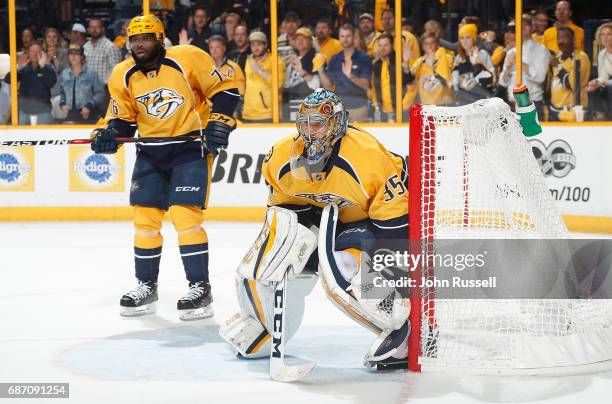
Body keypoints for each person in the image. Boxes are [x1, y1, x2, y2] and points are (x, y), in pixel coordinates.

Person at [219, 88, 409, 370]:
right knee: (261, 264)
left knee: (339, 272)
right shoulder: (282, 156)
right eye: (305, 123)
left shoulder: (366, 157)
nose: (310, 131)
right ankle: (266, 328)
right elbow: (282, 216)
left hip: (371, 222)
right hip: (327, 221)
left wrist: (398, 277)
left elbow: (394, 227)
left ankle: (403, 331)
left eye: (318, 123)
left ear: (336, 123)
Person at [89, 15, 240, 320]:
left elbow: (225, 90)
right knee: (145, 221)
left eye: (145, 38)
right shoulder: (122, 74)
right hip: (151, 154)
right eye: (134, 40)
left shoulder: (187, 58)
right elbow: (122, 119)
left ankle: (200, 288)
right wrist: (106, 135)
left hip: (189, 149)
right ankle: (146, 286)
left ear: (160, 39)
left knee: (186, 219)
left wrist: (220, 121)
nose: (139, 45)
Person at [319, 24, 372, 121]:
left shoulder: (364, 58)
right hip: (339, 108)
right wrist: (320, 70)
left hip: (359, 108)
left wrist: (350, 76)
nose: (345, 39)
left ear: (353, 37)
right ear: (339, 37)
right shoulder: (334, 59)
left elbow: (366, 85)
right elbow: (329, 87)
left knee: (359, 136)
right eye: (342, 36)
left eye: (348, 36)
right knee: (339, 137)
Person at [499, 15, 549, 117]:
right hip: (512, 105)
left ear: (533, 27)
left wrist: (519, 62)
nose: (523, 27)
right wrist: (507, 69)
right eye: (520, 25)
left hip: (532, 104)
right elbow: (503, 82)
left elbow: (540, 77)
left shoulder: (541, 49)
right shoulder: (512, 52)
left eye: (526, 24)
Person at [5, 42, 56, 125]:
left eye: (38, 51)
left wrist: (43, 67)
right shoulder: (23, 68)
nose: (35, 54)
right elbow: (8, 80)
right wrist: (18, 68)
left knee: (42, 138)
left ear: (42, 53)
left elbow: (51, 83)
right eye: (32, 51)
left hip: (43, 113)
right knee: (23, 138)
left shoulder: (47, 67)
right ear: (28, 53)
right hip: (24, 113)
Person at [282, 27, 326, 121]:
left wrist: (302, 72)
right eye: (297, 39)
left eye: (304, 38)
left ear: (311, 41)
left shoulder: (317, 58)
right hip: (291, 107)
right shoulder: (292, 61)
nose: (300, 41)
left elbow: (317, 86)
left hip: (309, 110)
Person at [548, 27, 590, 121]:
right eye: (559, 38)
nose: (561, 41)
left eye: (564, 38)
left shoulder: (581, 57)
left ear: (573, 39)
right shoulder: (557, 57)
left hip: (573, 111)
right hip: (555, 109)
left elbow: (572, 84)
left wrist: (558, 67)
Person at [242, 31, 285, 123]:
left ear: (265, 45)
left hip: (268, 114)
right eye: (253, 45)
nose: (256, 47)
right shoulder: (248, 60)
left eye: (259, 44)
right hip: (248, 113)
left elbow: (279, 85)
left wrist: (260, 70)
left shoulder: (276, 60)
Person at [58, 44, 105, 123]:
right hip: (70, 114)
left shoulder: (91, 73)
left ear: (82, 56)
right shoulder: (64, 73)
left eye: (76, 53)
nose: (73, 56)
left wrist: (89, 105)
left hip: (88, 113)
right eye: (71, 53)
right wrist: (62, 105)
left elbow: (100, 94)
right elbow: (62, 93)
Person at [451, 23, 495, 105]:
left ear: (473, 39)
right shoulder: (459, 58)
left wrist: (476, 65)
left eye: (468, 37)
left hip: (481, 101)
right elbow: (455, 83)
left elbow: (492, 78)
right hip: (463, 102)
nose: (464, 41)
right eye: (461, 38)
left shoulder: (482, 54)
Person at [407, 32, 454, 106]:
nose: (429, 46)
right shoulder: (419, 61)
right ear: (422, 46)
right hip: (426, 104)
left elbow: (447, 80)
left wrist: (432, 66)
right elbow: (410, 80)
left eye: (432, 43)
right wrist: (406, 62)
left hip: (444, 104)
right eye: (426, 43)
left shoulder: (447, 58)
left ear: (437, 44)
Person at [208, 34, 246, 119]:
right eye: (211, 47)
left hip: (228, 111)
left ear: (224, 49)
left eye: (217, 47)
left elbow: (241, 92)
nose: (214, 50)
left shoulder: (234, 67)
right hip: (208, 112)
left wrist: (236, 109)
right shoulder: (204, 68)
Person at [84, 18, 122, 88]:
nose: (94, 30)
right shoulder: (85, 47)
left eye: (97, 27)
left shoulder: (110, 47)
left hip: (105, 88)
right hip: (87, 88)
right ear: (88, 29)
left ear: (103, 29)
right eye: (92, 27)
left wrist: (105, 84)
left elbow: (116, 71)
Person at [587, 23, 612, 121]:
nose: (605, 37)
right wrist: (596, 82)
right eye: (602, 34)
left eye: (609, 34)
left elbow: (607, 82)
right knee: (592, 88)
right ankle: (599, 116)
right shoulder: (602, 54)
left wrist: (606, 83)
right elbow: (603, 76)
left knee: (610, 88)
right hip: (609, 84)